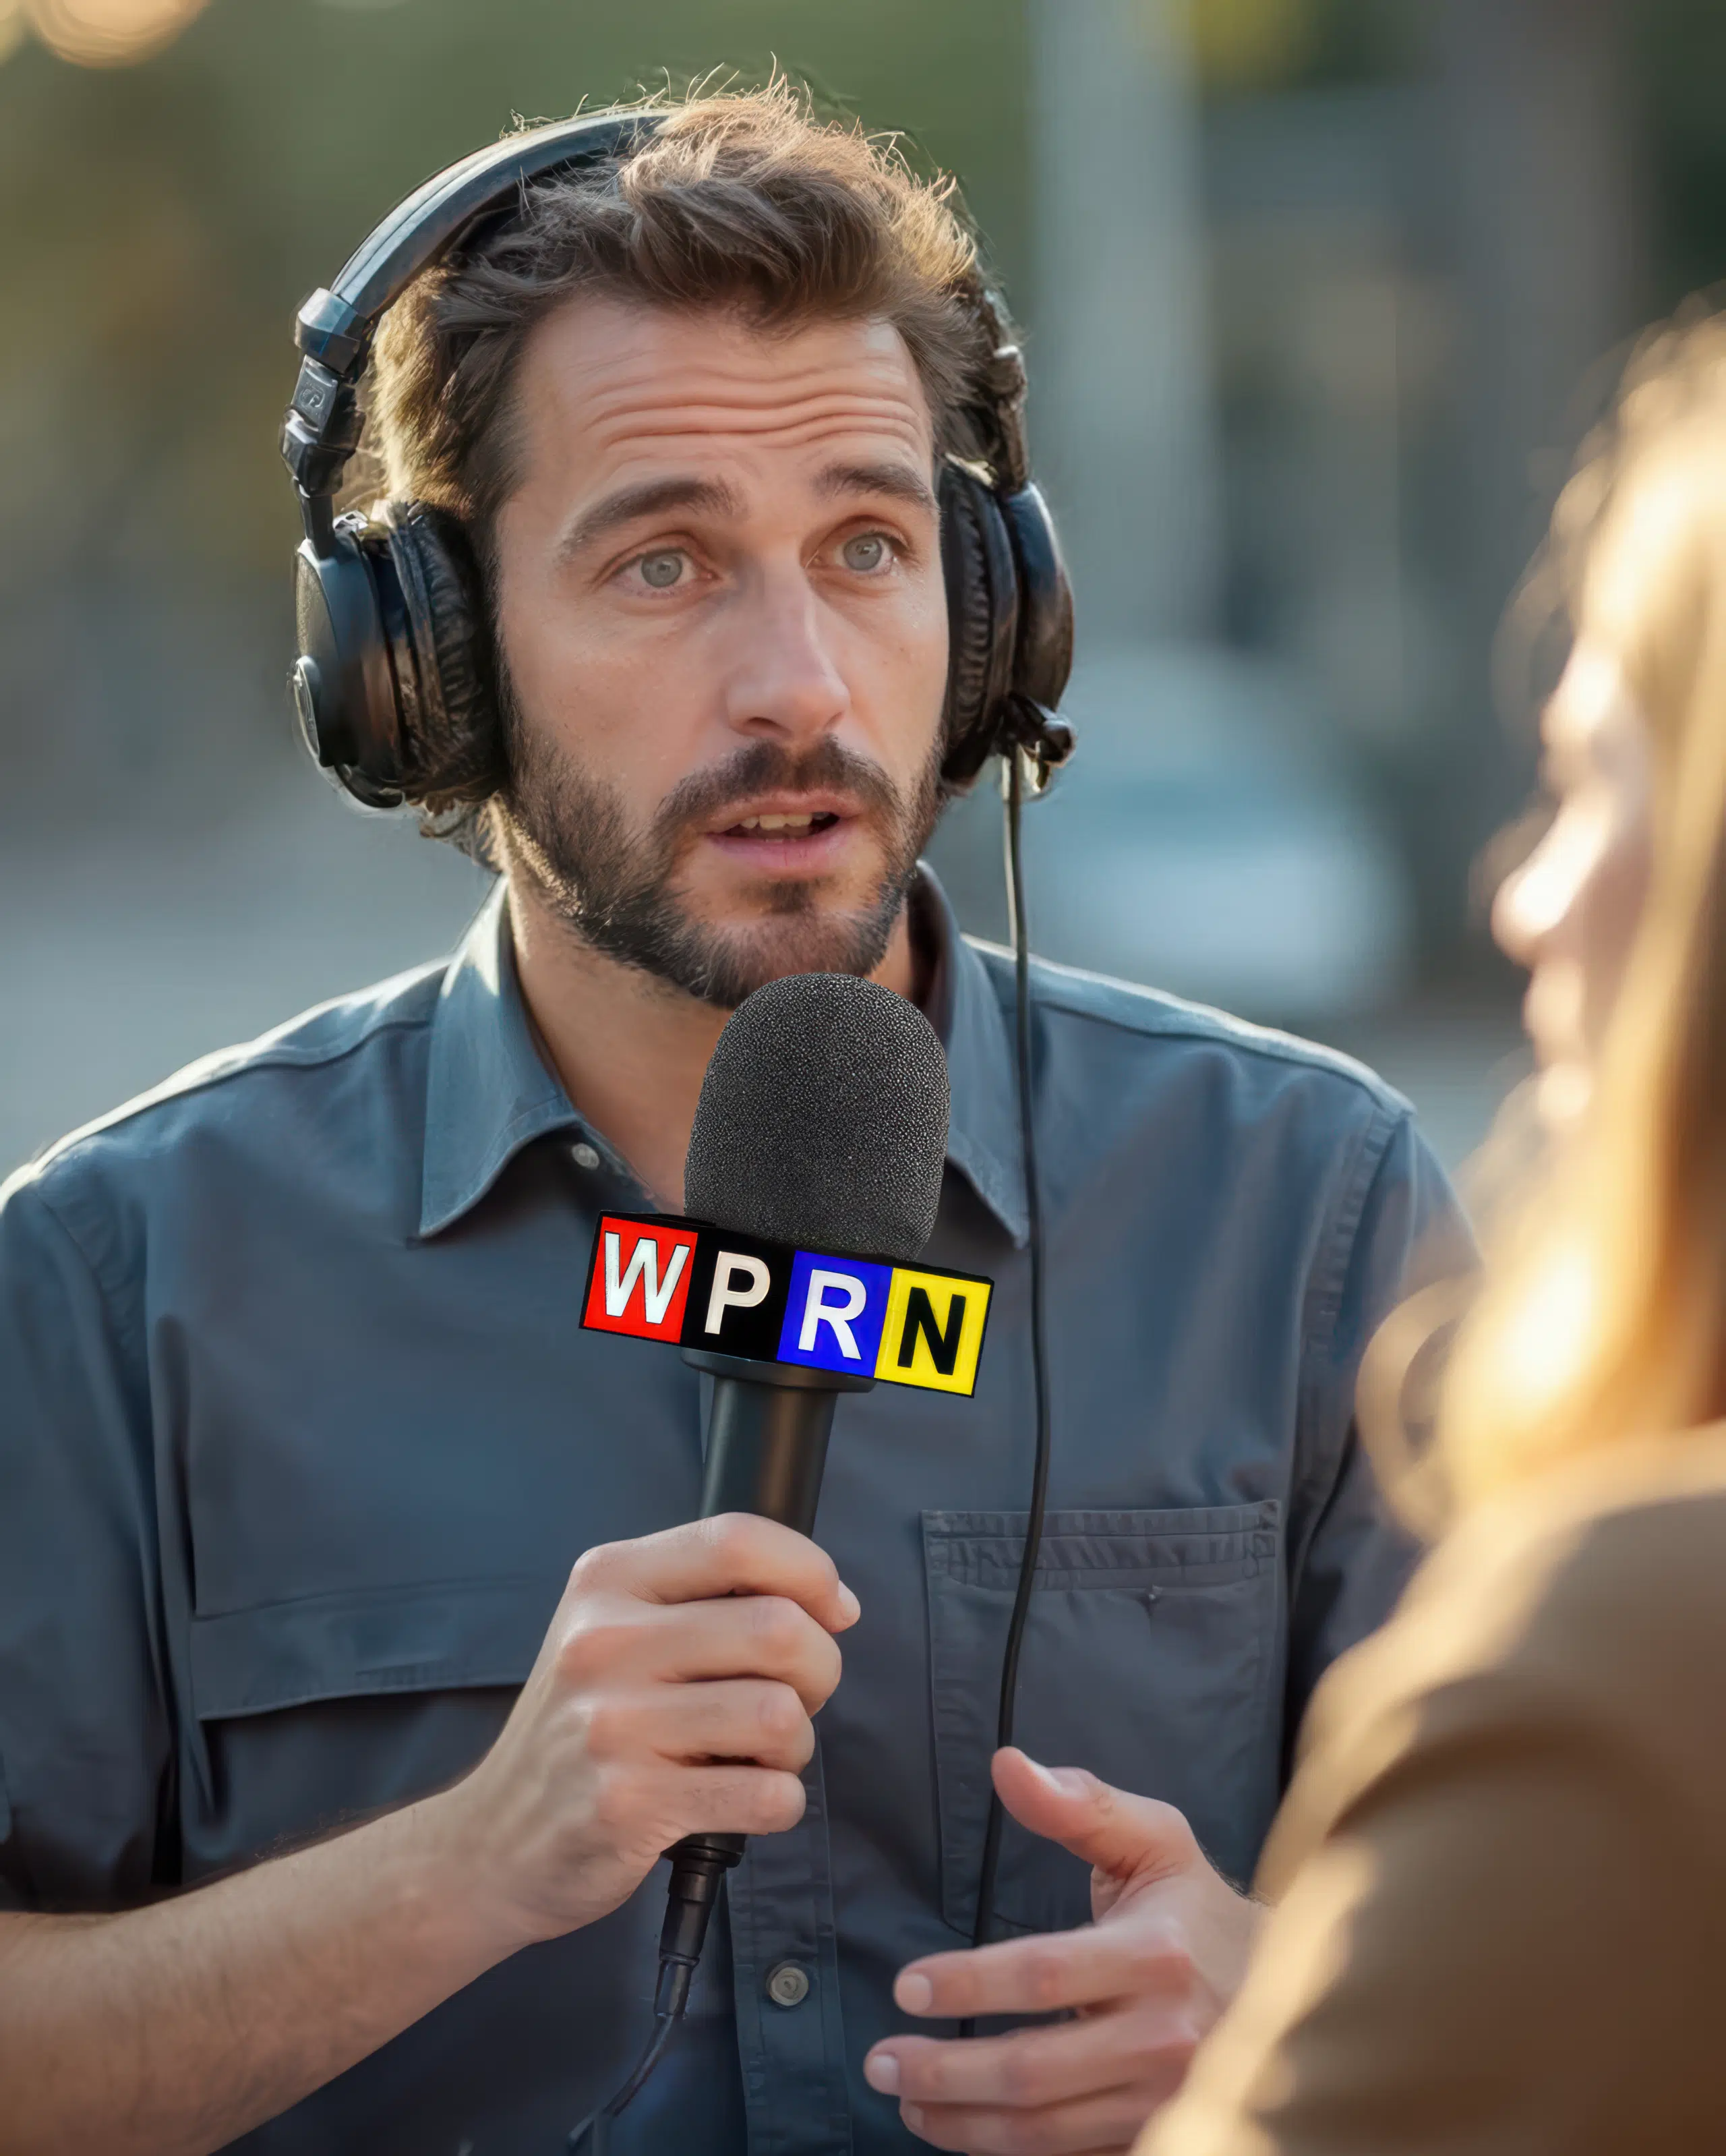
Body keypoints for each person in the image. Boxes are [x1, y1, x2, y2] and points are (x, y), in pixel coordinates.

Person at [0, 88, 1463, 2155]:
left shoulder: (1310, 1222)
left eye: (868, 545)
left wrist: (1314, 2004)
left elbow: (1612, 1982)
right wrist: (464, 1865)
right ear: (428, 672)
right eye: (665, 560)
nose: (800, 684)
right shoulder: (111, 1288)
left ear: (990, 612)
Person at [1112, 308, 1726, 2156]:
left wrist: (1297, 1992)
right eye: (660, 563)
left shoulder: (1631, 1652)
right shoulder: (199, 1236)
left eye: (1587, 775)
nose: (1523, 899)